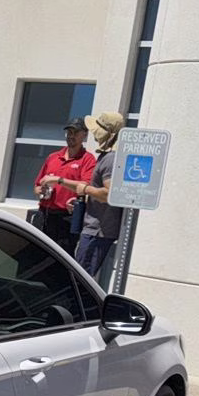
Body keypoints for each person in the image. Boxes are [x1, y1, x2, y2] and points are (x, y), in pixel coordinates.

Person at [43, 110, 124, 279]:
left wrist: (84, 189)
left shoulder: (110, 159)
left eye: (97, 129)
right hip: (91, 228)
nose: (94, 133)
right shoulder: (106, 156)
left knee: (80, 280)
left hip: (98, 231)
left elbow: (109, 194)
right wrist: (83, 199)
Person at [31, 119, 93, 255]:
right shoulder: (53, 157)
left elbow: (85, 186)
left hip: (66, 217)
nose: (71, 136)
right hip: (44, 214)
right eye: (69, 132)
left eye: (75, 133)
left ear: (84, 135)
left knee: (61, 257)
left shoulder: (87, 159)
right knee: (35, 255)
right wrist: (40, 191)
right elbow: (36, 186)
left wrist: (59, 180)